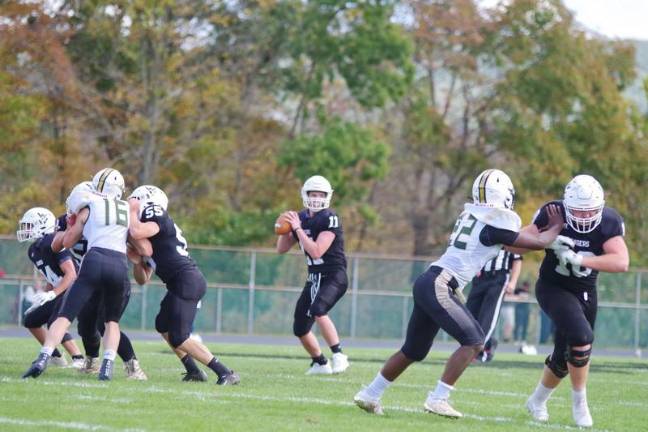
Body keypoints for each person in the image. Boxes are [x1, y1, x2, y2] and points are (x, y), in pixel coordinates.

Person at [353, 169, 564, 418]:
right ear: (504, 196)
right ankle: (438, 398)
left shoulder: (476, 218)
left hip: (429, 280)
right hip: (440, 284)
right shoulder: (492, 226)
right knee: (475, 342)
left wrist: (540, 229)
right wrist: (558, 226)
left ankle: (370, 394)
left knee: (414, 350)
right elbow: (536, 243)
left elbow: (517, 242)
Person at [525, 175, 628, 428]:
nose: (583, 218)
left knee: (564, 357)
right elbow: (518, 243)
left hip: (585, 292)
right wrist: (546, 237)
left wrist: (580, 260)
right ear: (567, 206)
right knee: (582, 337)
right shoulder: (552, 212)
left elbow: (621, 261)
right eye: (578, 212)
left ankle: (536, 402)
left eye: (589, 212)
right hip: (553, 287)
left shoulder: (608, 221)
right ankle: (580, 404)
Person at [22, 168, 134, 381]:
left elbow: (65, 243)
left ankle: (44, 357)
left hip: (93, 262)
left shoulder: (89, 205)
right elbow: (138, 241)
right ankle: (108, 364)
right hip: (119, 264)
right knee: (111, 322)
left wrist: (71, 227)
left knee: (63, 316)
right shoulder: (127, 209)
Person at [127, 185, 239, 385]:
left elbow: (135, 230)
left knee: (180, 336)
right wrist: (137, 262)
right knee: (162, 325)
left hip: (186, 280)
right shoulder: (153, 235)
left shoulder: (155, 214)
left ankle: (225, 372)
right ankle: (193, 371)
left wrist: (132, 210)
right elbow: (143, 279)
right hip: (178, 282)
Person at [55, 206, 147, 380]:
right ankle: (92, 361)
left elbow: (139, 244)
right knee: (86, 325)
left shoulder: (112, 217)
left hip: (111, 275)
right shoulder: (71, 219)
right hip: (88, 278)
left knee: (107, 323)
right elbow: (59, 244)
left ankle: (132, 365)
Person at [276, 175, 349, 375]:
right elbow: (281, 249)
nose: (316, 198)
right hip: (314, 278)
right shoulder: (301, 217)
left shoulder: (329, 218)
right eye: (313, 194)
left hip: (335, 276)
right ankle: (320, 362)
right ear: (305, 195)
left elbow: (317, 251)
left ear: (328, 196)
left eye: (321, 194)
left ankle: (339, 354)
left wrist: (298, 228)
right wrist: (285, 229)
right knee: (300, 327)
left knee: (318, 309)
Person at [16, 207, 84, 368]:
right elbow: (51, 277)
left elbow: (71, 274)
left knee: (55, 320)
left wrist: (53, 294)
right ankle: (56, 357)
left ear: (41, 225)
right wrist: (43, 297)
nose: (26, 230)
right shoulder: (33, 250)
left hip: (74, 287)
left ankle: (78, 358)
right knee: (31, 320)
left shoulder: (54, 241)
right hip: (60, 289)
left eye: (30, 226)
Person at [466, 250, 522, 362]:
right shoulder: (482, 233)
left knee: (488, 316)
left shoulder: (510, 233)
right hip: (480, 277)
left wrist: (513, 282)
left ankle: (477, 352)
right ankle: (489, 344)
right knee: (468, 315)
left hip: (498, 277)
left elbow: (517, 259)